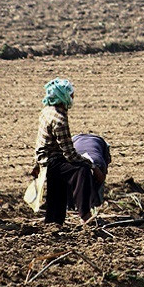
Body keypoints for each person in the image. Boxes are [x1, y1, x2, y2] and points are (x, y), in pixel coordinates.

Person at [31, 78, 97, 224]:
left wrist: (35, 164)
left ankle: (53, 221)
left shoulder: (46, 111)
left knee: (57, 190)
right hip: (53, 160)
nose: (73, 98)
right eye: (71, 95)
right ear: (63, 97)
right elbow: (70, 155)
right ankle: (85, 214)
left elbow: (40, 141)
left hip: (45, 159)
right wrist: (92, 165)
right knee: (82, 170)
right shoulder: (59, 119)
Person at [71, 133, 111, 209]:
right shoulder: (74, 165)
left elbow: (101, 178)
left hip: (97, 145)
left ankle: (96, 202)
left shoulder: (100, 164)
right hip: (78, 142)